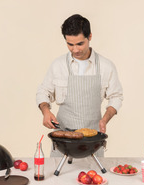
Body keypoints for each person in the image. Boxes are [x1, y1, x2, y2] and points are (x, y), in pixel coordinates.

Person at [36, 14, 123, 157]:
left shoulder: (106, 66)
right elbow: (43, 91)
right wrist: (45, 111)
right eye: (70, 44)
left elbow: (116, 96)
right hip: (63, 141)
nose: (75, 50)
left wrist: (105, 119)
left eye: (80, 44)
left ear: (90, 37)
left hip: (93, 142)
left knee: (94, 178)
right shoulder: (58, 65)